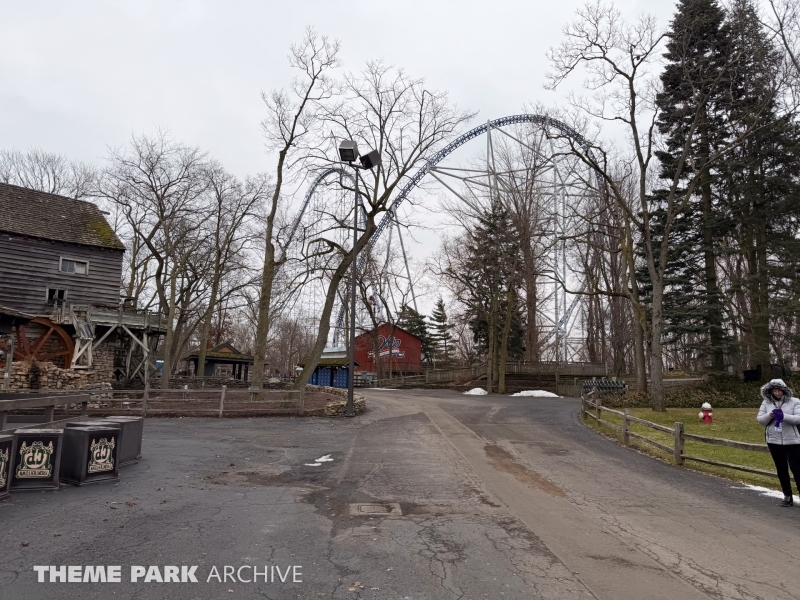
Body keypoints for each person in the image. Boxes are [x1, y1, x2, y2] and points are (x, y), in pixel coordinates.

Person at [756, 378, 800, 506]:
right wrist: (770, 415)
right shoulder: (766, 402)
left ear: (784, 390)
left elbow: (798, 418)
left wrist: (783, 416)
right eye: (775, 391)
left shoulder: (795, 402)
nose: (777, 393)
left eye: (779, 390)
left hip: (792, 441)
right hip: (774, 441)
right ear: (770, 391)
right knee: (781, 469)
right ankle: (787, 495)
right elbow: (760, 419)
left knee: (796, 468)